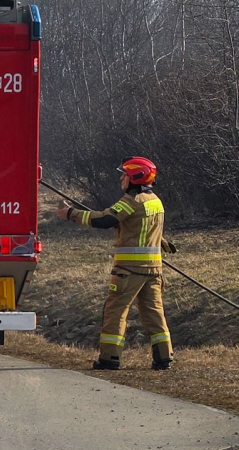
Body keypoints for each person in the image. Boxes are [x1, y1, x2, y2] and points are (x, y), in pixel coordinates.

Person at [59, 156, 173, 370]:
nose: (121, 178)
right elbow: (146, 228)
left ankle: (109, 359)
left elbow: (104, 220)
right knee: (153, 312)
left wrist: (70, 214)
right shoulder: (155, 201)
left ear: (135, 178)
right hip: (154, 270)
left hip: (129, 270)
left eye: (125, 175)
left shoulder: (131, 202)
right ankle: (164, 357)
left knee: (116, 311)